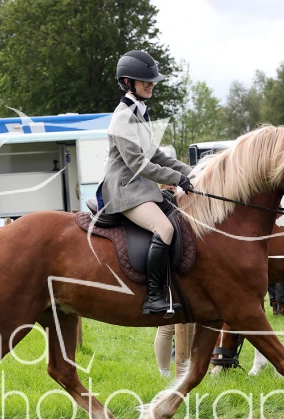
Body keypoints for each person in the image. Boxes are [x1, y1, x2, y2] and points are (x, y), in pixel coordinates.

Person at [99, 50, 193, 316]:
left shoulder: (140, 112)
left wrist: (195, 172)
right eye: (145, 81)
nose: (151, 84)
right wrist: (177, 179)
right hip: (125, 189)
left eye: (152, 80)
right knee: (164, 228)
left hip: (142, 189)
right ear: (128, 82)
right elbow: (138, 164)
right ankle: (153, 296)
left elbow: (157, 156)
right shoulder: (123, 117)